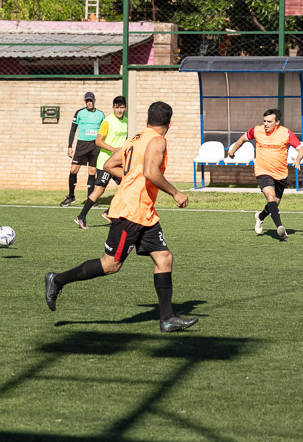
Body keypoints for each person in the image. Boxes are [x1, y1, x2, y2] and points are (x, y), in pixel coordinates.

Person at [45, 101, 199, 333]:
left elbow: (108, 164)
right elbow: (150, 172)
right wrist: (175, 192)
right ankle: (57, 280)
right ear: (169, 123)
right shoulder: (158, 141)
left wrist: (128, 178)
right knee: (110, 265)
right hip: (130, 212)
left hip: (145, 212)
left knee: (164, 258)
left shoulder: (136, 138)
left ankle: (167, 318)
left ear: (148, 120)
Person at [228, 108, 303, 241]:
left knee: (274, 203)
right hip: (263, 171)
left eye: (269, 121)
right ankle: (280, 228)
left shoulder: (286, 133)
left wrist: (297, 159)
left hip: (280, 174)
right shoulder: (257, 130)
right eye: (264, 121)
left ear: (277, 122)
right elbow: (242, 139)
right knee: (270, 196)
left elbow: (301, 149)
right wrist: (232, 151)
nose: (266, 124)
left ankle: (260, 216)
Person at [75, 95, 128, 229]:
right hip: (105, 163)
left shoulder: (126, 121)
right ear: (113, 108)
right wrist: (114, 150)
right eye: (117, 108)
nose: (119, 110)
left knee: (128, 184)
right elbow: (98, 141)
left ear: (125, 108)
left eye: (122, 107)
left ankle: (110, 212)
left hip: (118, 163)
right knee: (99, 191)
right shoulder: (107, 121)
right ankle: (81, 216)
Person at [61, 92, 105, 207]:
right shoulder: (80, 113)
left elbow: (104, 131)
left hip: (95, 145)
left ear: (94, 100)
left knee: (92, 171)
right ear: (85, 102)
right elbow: (73, 130)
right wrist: (70, 146)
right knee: (73, 170)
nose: (89, 102)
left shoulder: (101, 115)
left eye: (91, 100)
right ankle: (71, 196)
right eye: (87, 101)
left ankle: (91, 199)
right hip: (82, 145)